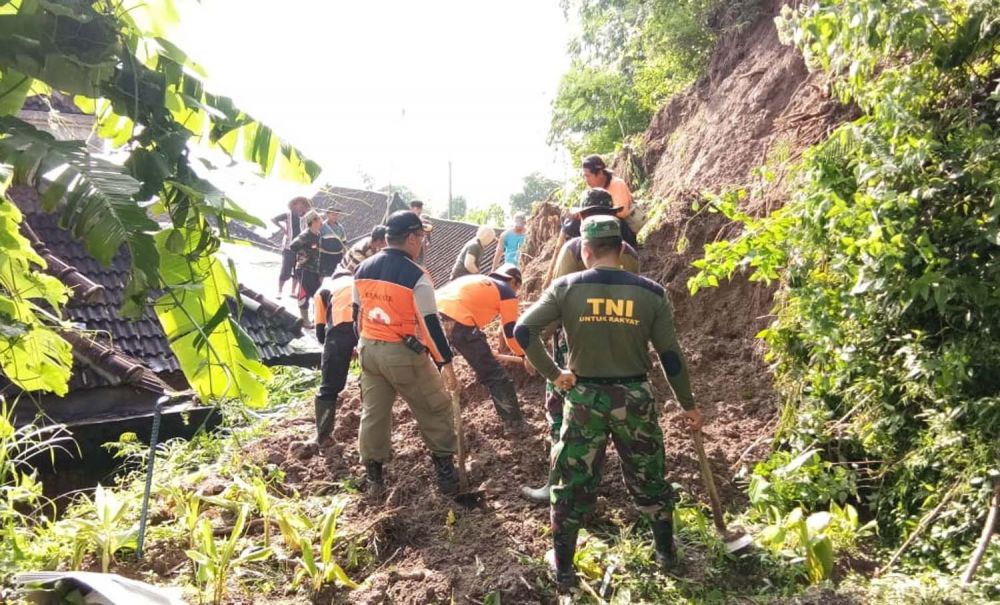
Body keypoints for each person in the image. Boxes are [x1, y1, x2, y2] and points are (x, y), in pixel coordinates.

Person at [514, 215, 701, 591]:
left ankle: (564, 572)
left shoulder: (565, 288)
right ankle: (666, 554)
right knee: (648, 478)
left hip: (584, 400)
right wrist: (688, 404)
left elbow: (523, 330)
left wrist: (554, 373)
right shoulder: (651, 293)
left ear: (585, 250)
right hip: (635, 399)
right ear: (620, 248)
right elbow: (670, 355)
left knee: (572, 486)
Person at [521, 188, 641, 503]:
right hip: (620, 346)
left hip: (574, 348)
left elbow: (556, 307)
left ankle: (559, 484)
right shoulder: (629, 252)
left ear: (584, 217)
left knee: (562, 416)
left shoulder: (574, 249)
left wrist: (537, 347)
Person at [353, 210, 461, 495]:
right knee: (435, 406)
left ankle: (374, 478)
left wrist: (364, 344)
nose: (423, 243)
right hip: (401, 354)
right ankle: (446, 475)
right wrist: (446, 363)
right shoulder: (416, 275)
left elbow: (356, 315)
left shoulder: (362, 269)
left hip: (368, 350)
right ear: (412, 238)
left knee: (374, 413)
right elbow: (430, 324)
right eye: (422, 237)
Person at [436, 264, 529, 433]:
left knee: (438, 371)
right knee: (495, 375)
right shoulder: (506, 292)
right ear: (513, 281)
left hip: (434, 317)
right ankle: (515, 424)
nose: (515, 292)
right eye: (517, 288)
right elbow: (510, 333)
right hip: (458, 320)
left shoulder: (479, 281)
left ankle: (442, 420)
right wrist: (523, 355)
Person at [311, 267, 357, 445]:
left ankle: (323, 436)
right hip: (367, 325)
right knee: (370, 378)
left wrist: (339, 350)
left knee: (329, 388)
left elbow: (320, 333)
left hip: (339, 329)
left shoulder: (323, 290)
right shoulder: (358, 281)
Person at [582, 154, 638, 248]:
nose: (586, 180)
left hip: (623, 231)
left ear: (600, 173)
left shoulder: (617, 184)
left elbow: (622, 212)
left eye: (588, 176)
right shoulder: (592, 190)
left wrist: (597, 212)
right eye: (584, 176)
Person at [289, 210, 323, 326]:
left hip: (314, 270)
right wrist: (304, 255)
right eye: (319, 219)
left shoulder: (317, 235)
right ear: (313, 221)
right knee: (305, 294)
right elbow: (293, 246)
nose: (321, 222)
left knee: (318, 294)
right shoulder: (305, 235)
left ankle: (316, 318)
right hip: (304, 269)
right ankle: (305, 320)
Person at [273, 196, 311, 298]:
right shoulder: (288, 215)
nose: (301, 206)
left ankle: (293, 291)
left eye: (303, 204)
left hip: (302, 248)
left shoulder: (307, 217)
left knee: (298, 271)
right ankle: (279, 291)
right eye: (299, 203)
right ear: (294, 204)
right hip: (288, 247)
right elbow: (274, 219)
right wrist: (283, 228)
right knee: (285, 270)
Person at [319, 206, 347, 276]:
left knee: (337, 274)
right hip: (325, 255)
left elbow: (343, 241)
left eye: (337, 214)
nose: (335, 216)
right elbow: (317, 240)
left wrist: (344, 252)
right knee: (323, 275)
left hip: (337, 256)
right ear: (328, 215)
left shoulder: (340, 227)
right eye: (333, 214)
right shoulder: (322, 226)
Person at [409, 200, 432, 265]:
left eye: (420, 209)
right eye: (416, 209)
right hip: (409, 248)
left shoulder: (425, 223)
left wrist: (427, 242)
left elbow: (429, 239)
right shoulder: (406, 221)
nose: (419, 211)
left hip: (420, 249)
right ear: (411, 209)